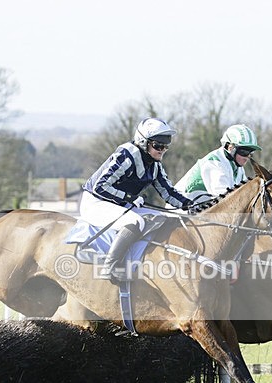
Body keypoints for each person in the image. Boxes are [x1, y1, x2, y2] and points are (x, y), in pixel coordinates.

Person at [80, 117, 193, 281]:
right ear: (143, 142)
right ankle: (109, 267)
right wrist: (128, 197)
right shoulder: (126, 155)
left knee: (165, 217)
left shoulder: (154, 165)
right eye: (158, 145)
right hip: (95, 202)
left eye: (165, 146)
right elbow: (100, 186)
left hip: (120, 204)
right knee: (135, 222)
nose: (162, 150)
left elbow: (168, 191)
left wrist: (189, 204)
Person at [174, 124, 261, 201]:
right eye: (244, 152)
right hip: (180, 214)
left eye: (250, 153)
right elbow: (226, 200)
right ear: (230, 147)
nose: (247, 157)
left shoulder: (239, 169)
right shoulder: (214, 163)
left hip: (199, 213)